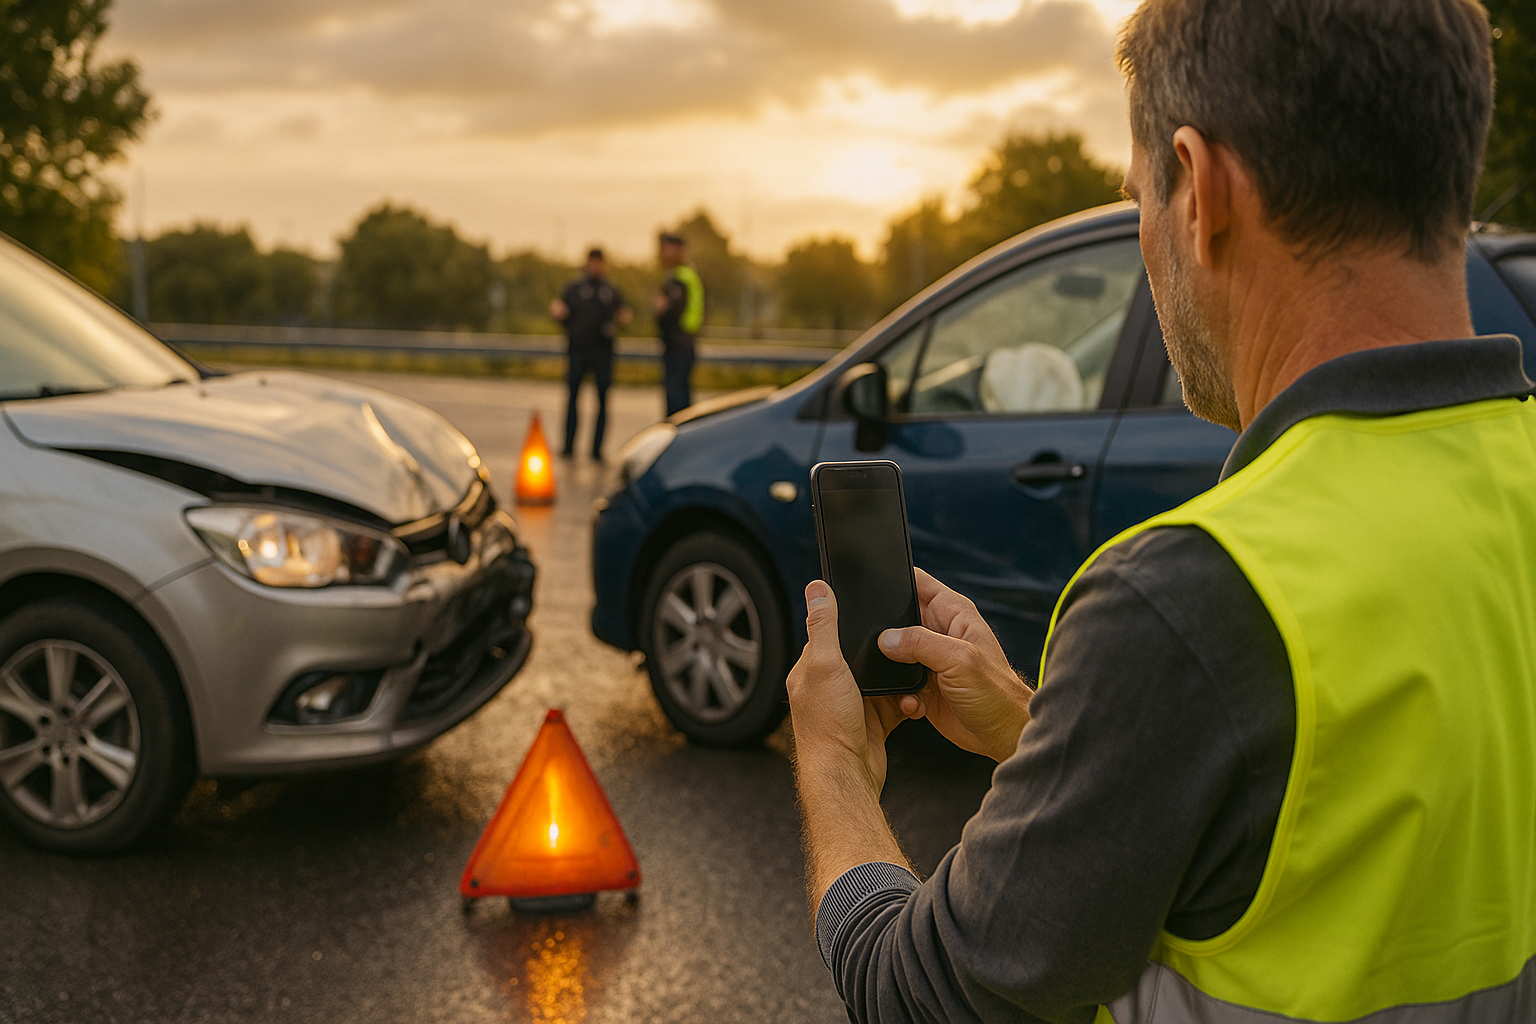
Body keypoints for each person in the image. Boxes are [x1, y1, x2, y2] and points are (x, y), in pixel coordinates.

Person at [787, 2, 1536, 1022]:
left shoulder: (1191, 599)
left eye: (1142, 195)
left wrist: (831, 766)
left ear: (1202, 189)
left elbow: (918, 996)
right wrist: (1041, 736)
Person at [551, 248, 629, 459]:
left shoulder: (610, 290)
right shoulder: (575, 288)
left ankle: (597, 450)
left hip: (603, 353)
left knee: (602, 402)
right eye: (592, 262)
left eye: (599, 262)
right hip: (578, 350)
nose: (595, 266)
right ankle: (569, 446)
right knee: (573, 398)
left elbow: (624, 315)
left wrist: (623, 319)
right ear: (587, 263)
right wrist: (558, 312)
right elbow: (560, 311)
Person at [654, 232, 704, 416]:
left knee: (677, 403)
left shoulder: (679, 278)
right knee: (681, 397)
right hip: (683, 342)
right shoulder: (686, 275)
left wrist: (661, 308)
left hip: (678, 344)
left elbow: (669, 311)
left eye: (665, 248)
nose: (661, 252)